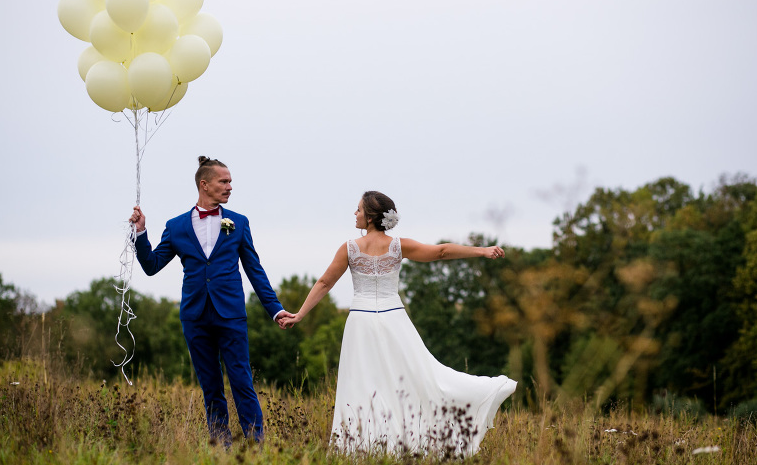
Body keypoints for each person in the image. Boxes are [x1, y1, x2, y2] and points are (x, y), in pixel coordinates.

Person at [278, 191, 517, 456]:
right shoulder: (398, 246)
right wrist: (481, 251)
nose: (354, 214)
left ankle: (361, 448)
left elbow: (325, 282)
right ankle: (399, 442)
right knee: (415, 378)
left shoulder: (349, 248)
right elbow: (440, 252)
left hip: (361, 323)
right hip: (395, 320)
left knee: (363, 384)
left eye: (358, 210)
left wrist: (300, 314)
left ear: (370, 217)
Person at [129, 156, 291, 446]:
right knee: (211, 386)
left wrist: (275, 309)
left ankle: (256, 446)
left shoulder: (238, 223)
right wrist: (140, 232)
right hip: (195, 317)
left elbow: (255, 270)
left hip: (230, 315)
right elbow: (151, 265)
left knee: (242, 382)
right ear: (204, 185)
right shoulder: (176, 226)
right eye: (224, 181)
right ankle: (222, 447)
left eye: (230, 181)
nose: (230, 186)